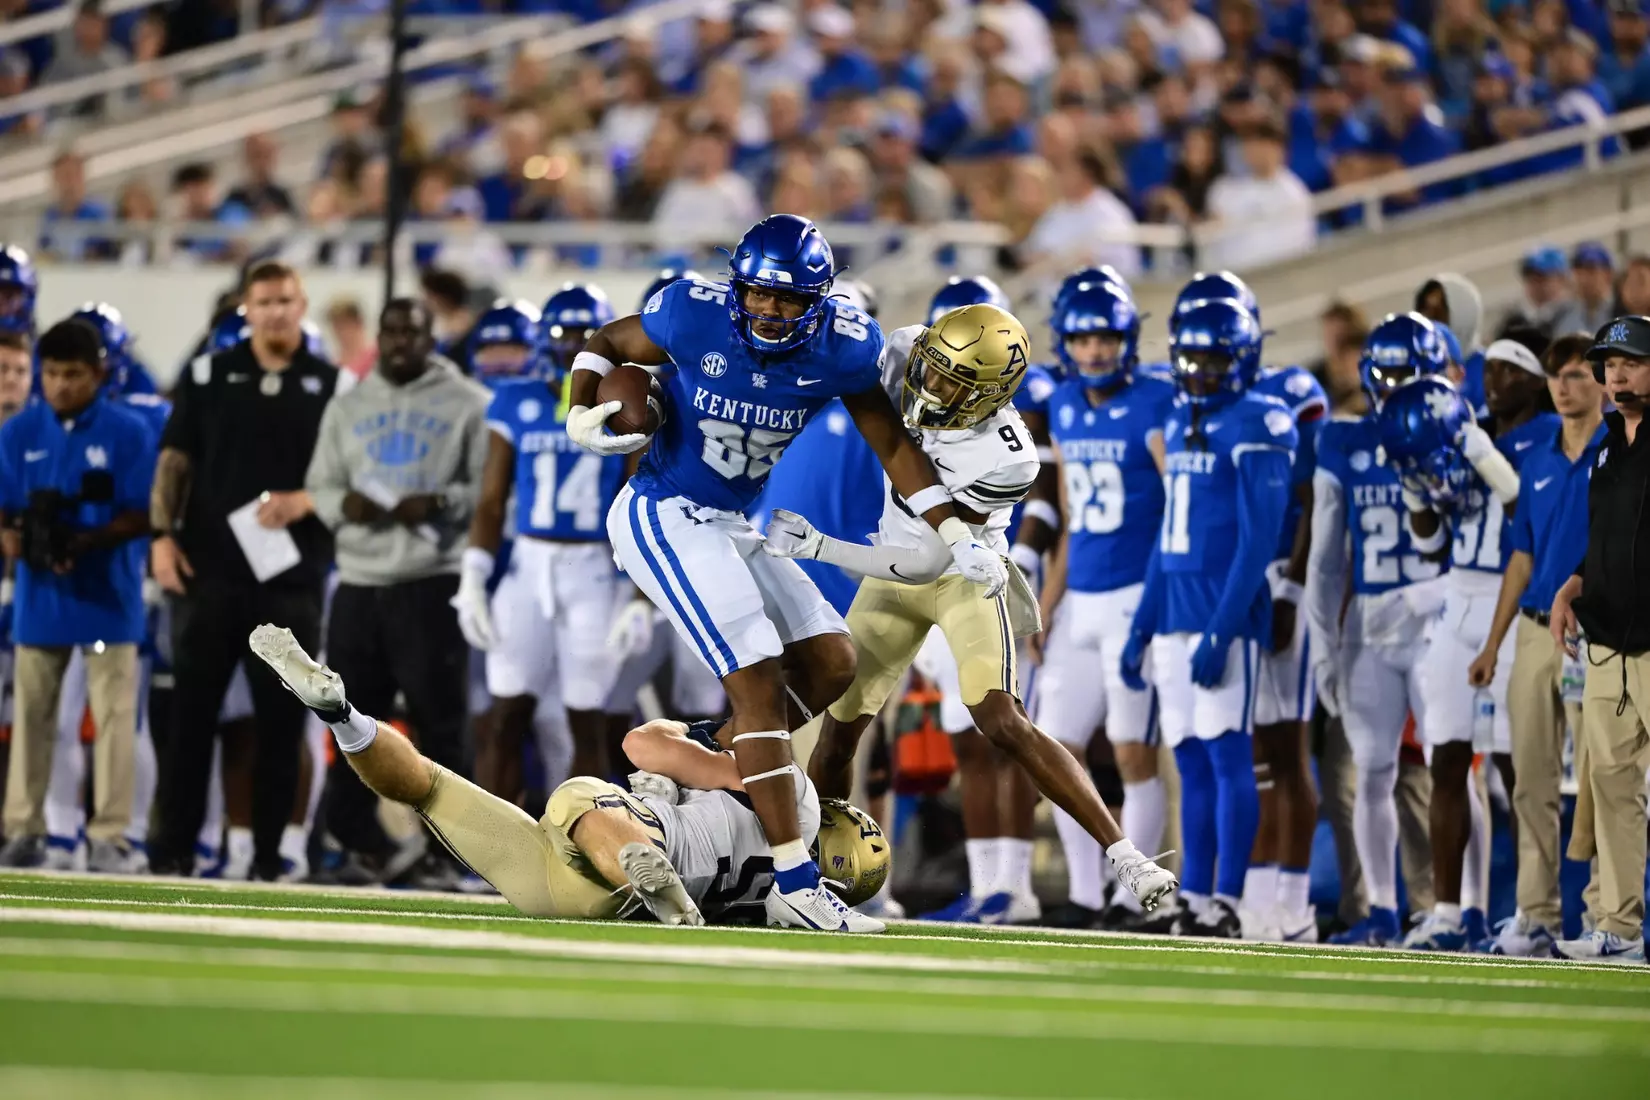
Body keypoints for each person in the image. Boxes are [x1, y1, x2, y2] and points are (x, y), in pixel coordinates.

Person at [564, 214, 1005, 933]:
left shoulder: (845, 346)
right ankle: (796, 882)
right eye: (759, 295)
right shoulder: (691, 312)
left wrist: (956, 533)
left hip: (733, 522)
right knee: (762, 684)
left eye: (789, 300)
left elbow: (893, 443)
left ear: (819, 300)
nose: (769, 310)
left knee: (833, 664)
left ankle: (705, 754)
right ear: (737, 286)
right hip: (665, 510)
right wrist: (581, 410)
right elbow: (605, 342)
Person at [765, 302, 1178, 919]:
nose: (931, 386)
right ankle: (821, 878)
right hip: (893, 559)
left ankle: (1125, 855)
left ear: (993, 394)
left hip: (960, 574)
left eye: (954, 382)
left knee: (1001, 720)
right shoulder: (908, 353)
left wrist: (822, 548)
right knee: (838, 731)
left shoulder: (1007, 455)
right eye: (932, 369)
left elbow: (929, 562)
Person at [249, 624, 890, 924]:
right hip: (584, 902)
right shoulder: (781, 898)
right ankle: (345, 717)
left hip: (626, 835)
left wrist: (699, 754)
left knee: (584, 798)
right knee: (428, 786)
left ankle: (343, 718)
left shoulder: (793, 795)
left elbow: (645, 747)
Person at [149, 262, 344, 879]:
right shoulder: (208, 375)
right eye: (265, 301)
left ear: (301, 304)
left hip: (291, 581)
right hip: (209, 574)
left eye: (286, 300)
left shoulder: (333, 384)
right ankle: (174, 849)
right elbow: (175, 460)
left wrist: (303, 501)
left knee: (282, 724)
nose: (277, 311)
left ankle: (268, 854)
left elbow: (349, 475)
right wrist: (160, 537)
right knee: (191, 718)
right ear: (247, 309)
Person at [1119, 299, 1295, 938]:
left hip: (1222, 616)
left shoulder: (1261, 420)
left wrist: (1222, 629)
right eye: (1189, 358)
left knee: (1228, 759)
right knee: (1189, 761)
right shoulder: (1181, 414)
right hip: (1173, 616)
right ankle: (1191, 894)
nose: (1198, 372)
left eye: (1213, 360)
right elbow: (1170, 533)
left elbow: (1257, 541)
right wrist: (1144, 621)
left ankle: (1227, 900)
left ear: (1242, 360)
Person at [304, 298, 490, 889]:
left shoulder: (469, 403)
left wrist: (438, 504)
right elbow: (321, 484)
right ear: (380, 337)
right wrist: (344, 506)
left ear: (432, 336)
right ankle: (357, 845)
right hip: (359, 583)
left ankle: (452, 853)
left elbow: (487, 491)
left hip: (431, 581)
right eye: (392, 331)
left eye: (413, 331)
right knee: (347, 722)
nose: (401, 341)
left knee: (441, 724)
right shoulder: (348, 404)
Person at [1386, 337, 1554, 952]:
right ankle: (1448, 910)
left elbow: (1526, 517)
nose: (1496, 381)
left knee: (1520, 767)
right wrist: (1413, 479)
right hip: (1458, 600)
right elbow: (1430, 541)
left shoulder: (1550, 437)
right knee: (1446, 758)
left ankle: (1537, 909)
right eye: (1494, 370)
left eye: (1513, 372)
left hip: (1517, 600)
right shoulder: (1466, 430)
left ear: (1537, 382)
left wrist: (1480, 455)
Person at [1035, 278, 1177, 930]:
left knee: (1131, 753)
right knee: (1057, 746)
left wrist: (1156, 604)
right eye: (1083, 338)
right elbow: (1069, 518)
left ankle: (1135, 893)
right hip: (1081, 599)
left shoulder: (1155, 401)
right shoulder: (1063, 403)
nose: (1094, 351)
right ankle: (1090, 896)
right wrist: (1047, 601)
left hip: (1132, 597)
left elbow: (1178, 513)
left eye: (1106, 338)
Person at [1306, 312, 1449, 946]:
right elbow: (1324, 558)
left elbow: (1477, 547)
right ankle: (1382, 911)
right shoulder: (1342, 440)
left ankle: (1459, 909)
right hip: (1369, 624)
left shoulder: (1457, 429)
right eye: (1386, 373)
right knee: (1372, 769)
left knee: (1450, 770)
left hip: (1438, 626)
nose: (1395, 386)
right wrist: (1322, 648)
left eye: (1407, 373)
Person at [454, 290, 627, 799]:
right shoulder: (516, 399)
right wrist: (473, 576)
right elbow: (491, 500)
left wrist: (637, 594)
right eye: (562, 335)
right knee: (504, 714)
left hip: (594, 566)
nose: (574, 347)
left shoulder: (628, 402)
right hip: (527, 565)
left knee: (587, 717)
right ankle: (494, 853)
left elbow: (635, 496)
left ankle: (585, 851)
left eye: (583, 336)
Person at [1467, 332, 1606, 956]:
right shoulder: (1540, 461)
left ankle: (1607, 913)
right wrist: (1493, 643)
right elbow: (1521, 556)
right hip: (1530, 628)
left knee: (1606, 778)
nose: (1564, 386)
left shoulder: (1622, 450)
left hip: (1594, 630)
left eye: (1577, 375)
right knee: (1531, 780)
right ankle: (1537, 913)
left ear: (1601, 382)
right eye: (1557, 376)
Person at [0, 319, 154, 871]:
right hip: (41, 597)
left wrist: (87, 538)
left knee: (113, 720)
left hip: (107, 596)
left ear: (99, 373)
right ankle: (23, 827)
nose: (60, 385)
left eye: (73, 374)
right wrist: (13, 535)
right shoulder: (18, 433)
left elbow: (146, 513)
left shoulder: (129, 431)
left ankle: (111, 835)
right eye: (52, 374)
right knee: (33, 716)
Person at [1548, 316, 1650, 962]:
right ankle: (1619, 925)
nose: (1615, 375)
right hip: (1608, 642)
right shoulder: (1609, 445)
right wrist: (1573, 585)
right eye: (1609, 364)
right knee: (1612, 788)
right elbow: (1606, 538)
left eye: (1630, 363)